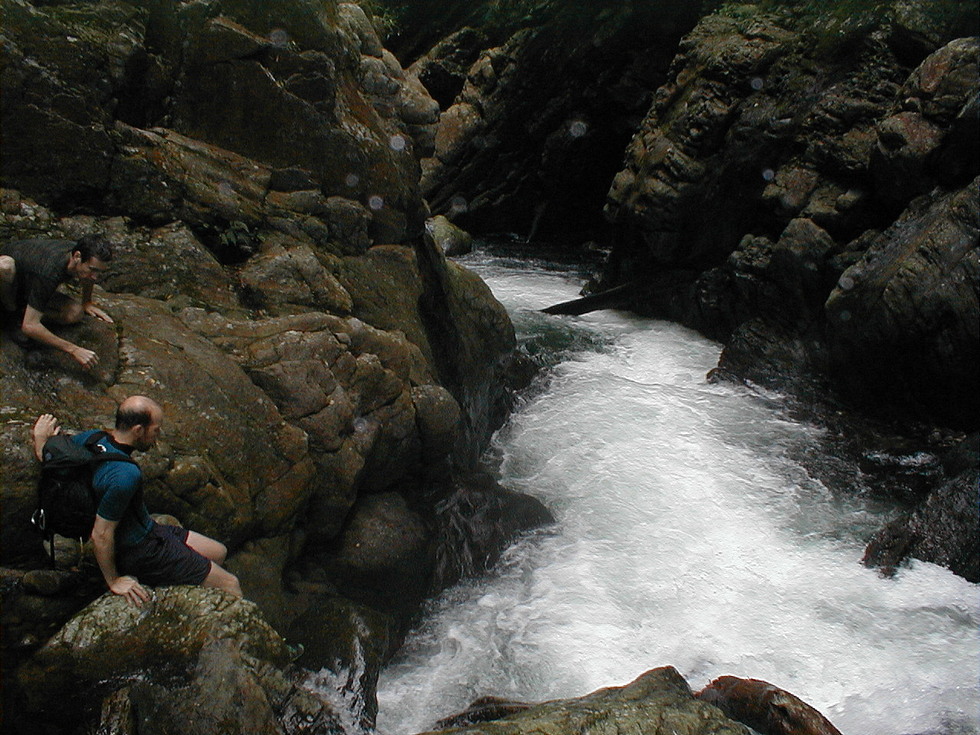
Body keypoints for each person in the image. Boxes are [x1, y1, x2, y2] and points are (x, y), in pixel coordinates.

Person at [31, 396, 242, 606]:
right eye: (155, 430)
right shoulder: (125, 475)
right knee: (230, 583)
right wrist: (114, 580)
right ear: (138, 430)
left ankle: (192, 579)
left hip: (150, 529)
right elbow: (101, 534)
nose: (157, 438)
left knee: (219, 552)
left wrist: (41, 438)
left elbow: (53, 464)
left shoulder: (92, 439)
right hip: (141, 551)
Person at [0, 235, 114, 369]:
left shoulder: (81, 252)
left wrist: (86, 302)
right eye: (92, 269)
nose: (95, 277)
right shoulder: (50, 271)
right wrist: (74, 349)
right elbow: (29, 326)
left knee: (75, 314)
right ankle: (10, 313)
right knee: (5, 266)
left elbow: (88, 277)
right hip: (8, 281)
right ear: (77, 256)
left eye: (99, 272)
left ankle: (23, 310)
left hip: (28, 282)